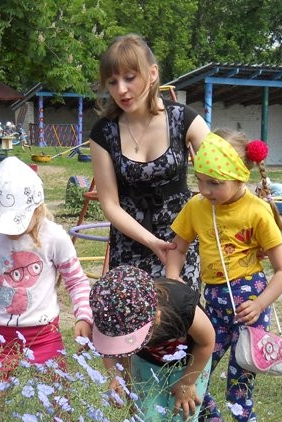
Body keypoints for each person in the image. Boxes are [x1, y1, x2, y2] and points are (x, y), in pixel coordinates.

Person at [167, 130, 282, 422]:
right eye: (201, 181)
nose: (205, 190)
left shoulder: (257, 212)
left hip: (250, 312)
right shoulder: (197, 207)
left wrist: (260, 304)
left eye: (214, 183)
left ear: (240, 177)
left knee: (239, 393)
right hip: (213, 308)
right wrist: (174, 279)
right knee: (193, 378)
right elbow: (176, 249)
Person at [89, 33, 210, 291]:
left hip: (180, 243)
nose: (121, 89)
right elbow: (109, 204)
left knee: (178, 321)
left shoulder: (184, 119)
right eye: (112, 82)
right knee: (133, 327)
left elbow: (222, 173)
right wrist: (151, 241)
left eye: (130, 78)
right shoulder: (103, 133)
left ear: (152, 73)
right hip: (129, 243)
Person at [0, 156, 93, 374]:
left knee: (54, 401)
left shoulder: (54, 236)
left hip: (44, 336)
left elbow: (76, 281)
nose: (12, 231)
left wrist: (84, 316)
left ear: (38, 208)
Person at [90, 264, 214, 422]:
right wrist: (117, 377)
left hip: (190, 363)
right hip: (147, 363)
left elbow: (207, 342)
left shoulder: (182, 304)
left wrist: (188, 382)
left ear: (155, 318)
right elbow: (112, 352)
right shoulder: (111, 314)